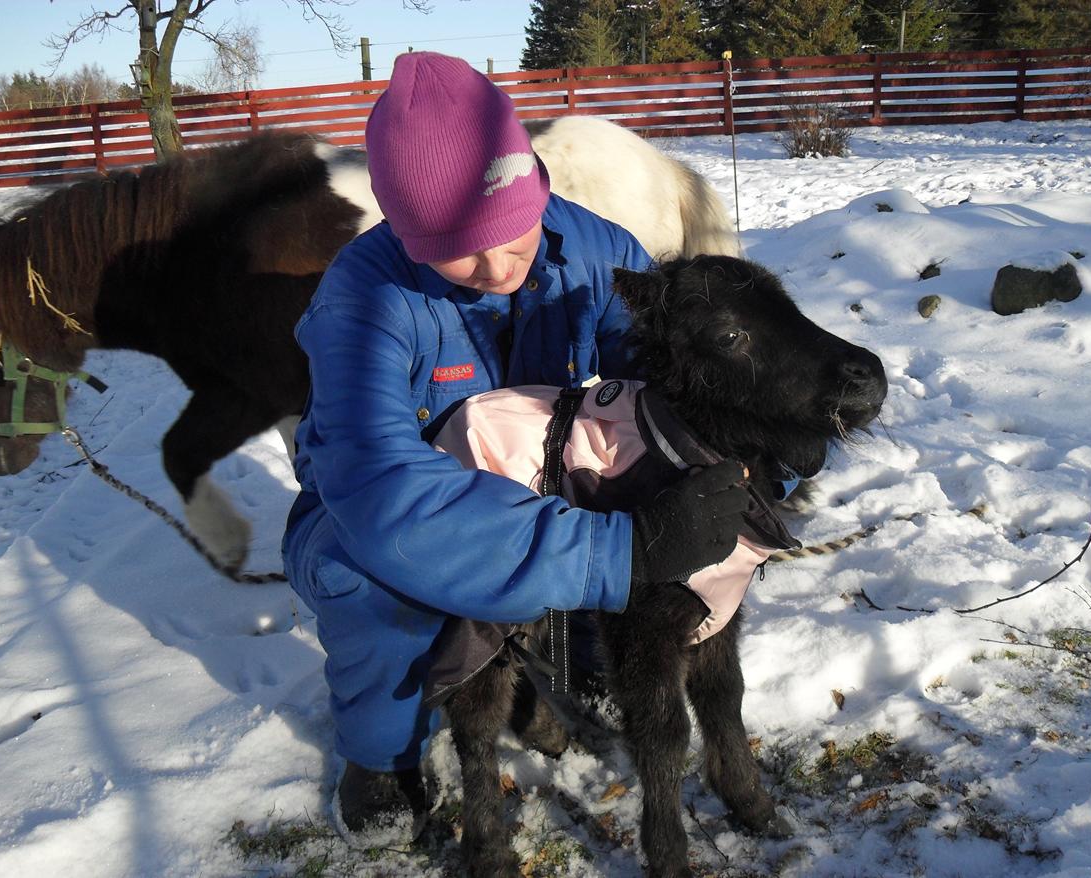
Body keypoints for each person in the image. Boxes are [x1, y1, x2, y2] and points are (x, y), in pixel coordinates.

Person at [281, 51, 749, 848]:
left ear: (535, 181)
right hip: (386, 501)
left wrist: (752, 438)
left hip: (539, 467)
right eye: (461, 251)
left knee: (642, 478)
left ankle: (586, 658)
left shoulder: (597, 250)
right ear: (404, 230)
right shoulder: (361, 305)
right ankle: (382, 748)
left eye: (514, 231)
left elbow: (660, 380)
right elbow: (385, 496)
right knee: (365, 578)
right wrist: (615, 553)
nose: (500, 266)